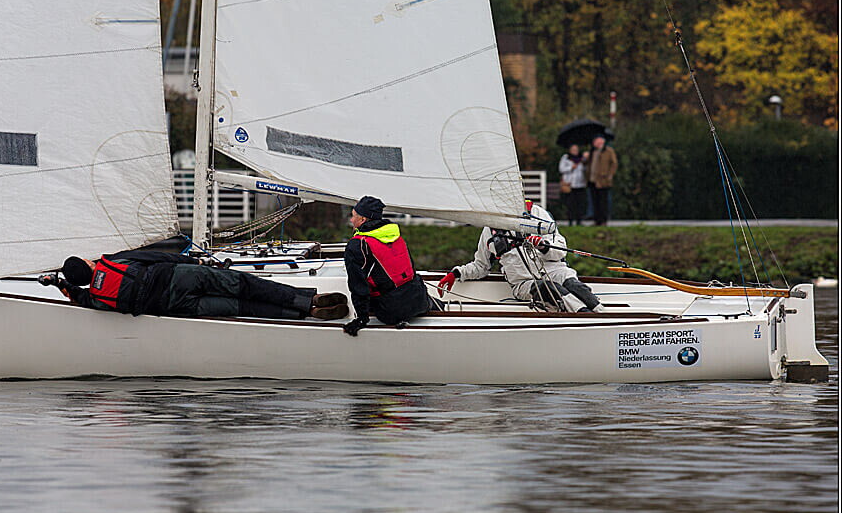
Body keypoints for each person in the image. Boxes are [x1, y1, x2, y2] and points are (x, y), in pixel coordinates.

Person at [42, 241, 350, 320]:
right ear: (88, 264)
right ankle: (307, 299)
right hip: (182, 277)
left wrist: (60, 285)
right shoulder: (114, 261)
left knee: (241, 307)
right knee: (245, 285)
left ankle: (309, 313)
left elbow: (79, 298)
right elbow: (157, 257)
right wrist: (195, 262)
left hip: (175, 306)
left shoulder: (97, 299)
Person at [436, 200, 604, 313]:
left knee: (575, 286)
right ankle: (584, 315)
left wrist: (543, 246)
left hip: (555, 271)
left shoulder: (538, 214)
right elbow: (481, 266)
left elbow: (560, 249)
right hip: (524, 284)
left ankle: (601, 314)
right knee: (547, 288)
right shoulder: (489, 230)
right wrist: (457, 273)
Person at [342, 196, 436, 336]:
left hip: (391, 312)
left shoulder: (357, 245)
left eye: (353, 216)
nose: (351, 220)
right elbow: (410, 270)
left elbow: (358, 286)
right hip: (419, 300)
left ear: (363, 220)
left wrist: (361, 319)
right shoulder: (395, 235)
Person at [585, 135, 618, 226]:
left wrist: (610, 175)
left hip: (603, 180)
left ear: (602, 142)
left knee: (603, 201)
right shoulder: (592, 152)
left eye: (597, 141)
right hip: (592, 180)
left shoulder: (608, 151)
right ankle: (597, 220)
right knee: (595, 201)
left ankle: (603, 220)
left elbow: (614, 164)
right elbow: (587, 164)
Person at [558, 143, 589, 225]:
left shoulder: (582, 159)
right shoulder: (566, 158)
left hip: (580, 184)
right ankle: (570, 220)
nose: (575, 151)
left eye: (576, 150)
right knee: (570, 204)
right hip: (570, 184)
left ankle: (579, 221)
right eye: (573, 150)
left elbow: (586, 169)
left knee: (580, 204)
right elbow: (561, 169)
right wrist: (571, 167)